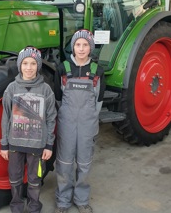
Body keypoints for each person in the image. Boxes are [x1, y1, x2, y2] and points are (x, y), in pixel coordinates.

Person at [0, 46, 57, 213]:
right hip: (15, 146)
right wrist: (4, 144)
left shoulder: (46, 90)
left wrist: (48, 145)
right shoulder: (11, 89)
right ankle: (16, 207)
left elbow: (51, 118)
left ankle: (34, 207)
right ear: (20, 65)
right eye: (25, 63)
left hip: (37, 148)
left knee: (35, 179)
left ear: (38, 66)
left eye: (33, 63)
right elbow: (6, 117)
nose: (29, 67)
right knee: (15, 179)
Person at [54, 30, 105, 213]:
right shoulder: (62, 68)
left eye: (85, 45)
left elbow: (98, 101)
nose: (81, 49)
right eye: (78, 45)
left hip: (87, 125)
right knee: (64, 164)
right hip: (67, 124)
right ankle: (63, 201)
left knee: (84, 164)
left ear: (90, 47)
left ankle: (81, 200)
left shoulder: (97, 71)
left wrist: (88, 119)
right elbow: (58, 99)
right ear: (73, 47)